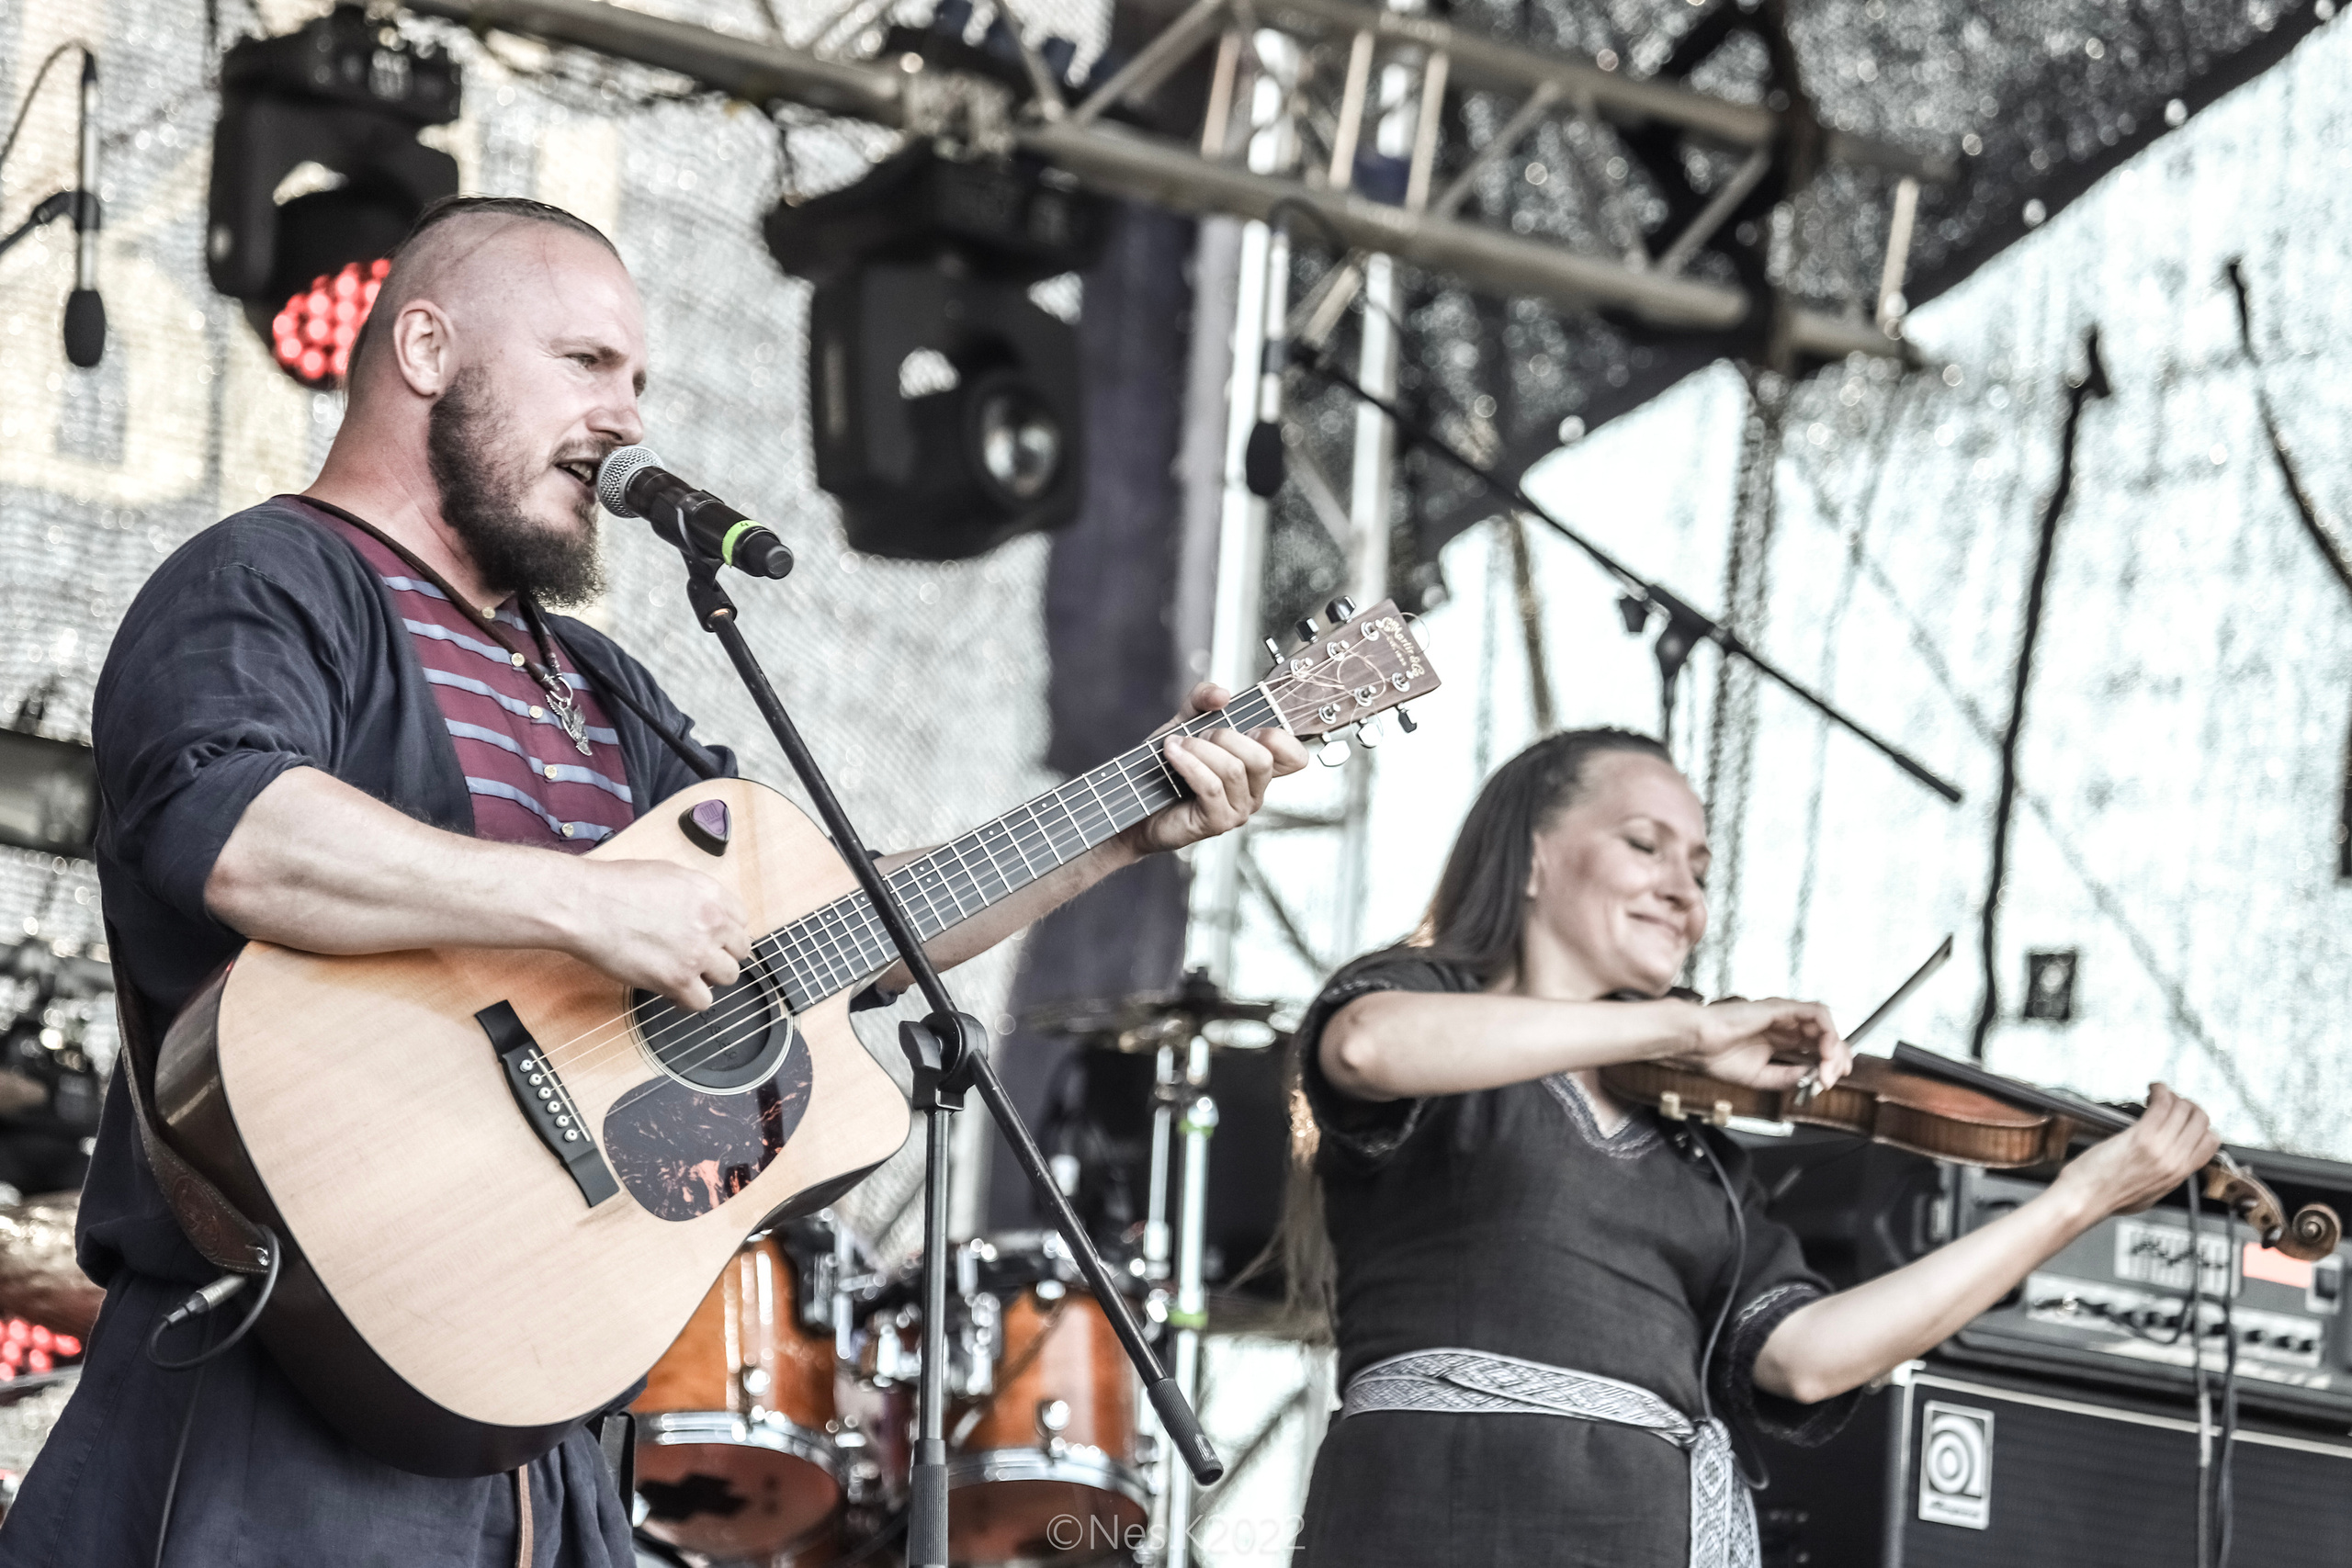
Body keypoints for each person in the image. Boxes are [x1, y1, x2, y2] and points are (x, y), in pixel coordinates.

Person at [0, 196, 1305, 1568]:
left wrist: (1124, 820)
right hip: (277, 1412)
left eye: (641, 383)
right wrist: (583, 906)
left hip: (543, 1440)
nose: (629, 417)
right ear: (428, 348)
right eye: (586, 364)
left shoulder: (600, 686)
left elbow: (834, 928)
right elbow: (241, 835)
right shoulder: (273, 579)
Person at [1289, 728, 2219, 1568]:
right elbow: (1368, 1046)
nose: (1682, 891)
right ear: (1533, 856)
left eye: (1698, 868)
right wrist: (1680, 1031)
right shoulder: (1433, 1011)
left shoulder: (1698, 1157)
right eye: (1643, 845)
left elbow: (1806, 1358)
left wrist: (2073, 1203)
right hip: (1427, 1514)